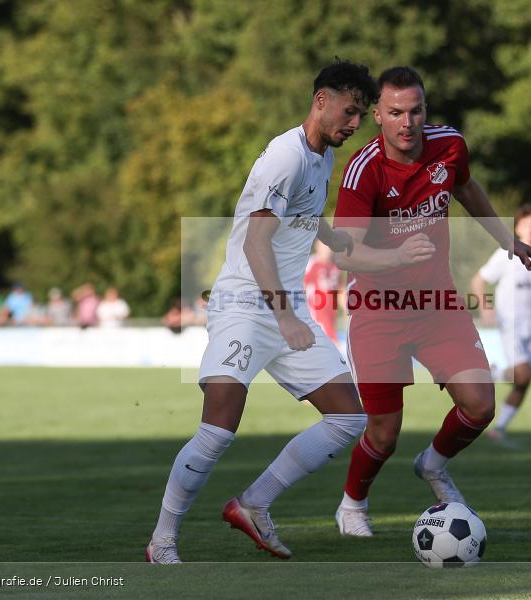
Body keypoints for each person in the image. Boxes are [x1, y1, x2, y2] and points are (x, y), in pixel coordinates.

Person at [146, 59, 378, 563]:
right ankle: (161, 540)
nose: (356, 122)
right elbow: (256, 243)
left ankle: (254, 503)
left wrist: (332, 236)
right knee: (218, 430)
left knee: (349, 417)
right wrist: (286, 317)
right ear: (321, 100)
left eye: (361, 114)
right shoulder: (285, 156)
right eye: (350, 110)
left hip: (286, 306)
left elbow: (301, 212)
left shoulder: (321, 158)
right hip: (246, 306)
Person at [330, 66, 531, 537]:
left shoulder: (449, 145)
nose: (407, 123)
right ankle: (352, 504)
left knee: (480, 404)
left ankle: (432, 463)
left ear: (425, 109)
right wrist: (396, 255)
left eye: (416, 111)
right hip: (379, 311)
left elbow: (465, 188)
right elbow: (345, 252)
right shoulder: (363, 170)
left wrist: (506, 239)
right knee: (384, 432)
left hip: (436, 303)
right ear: (377, 116)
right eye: (395, 113)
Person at [471, 204, 531, 443]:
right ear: (518, 228)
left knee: (525, 379)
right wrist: (485, 306)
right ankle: (494, 374)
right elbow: (478, 280)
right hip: (510, 322)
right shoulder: (506, 254)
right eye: (527, 224)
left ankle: (499, 427)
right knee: (522, 372)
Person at [304, 239, 343, 342]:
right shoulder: (311, 264)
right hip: (317, 313)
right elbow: (299, 286)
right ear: (317, 247)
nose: (326, 250)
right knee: (331, 342)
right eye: (323, 246)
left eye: (328, 247)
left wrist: (347, 311)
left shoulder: (335, 267)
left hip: (331, 313)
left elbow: (340, 291)